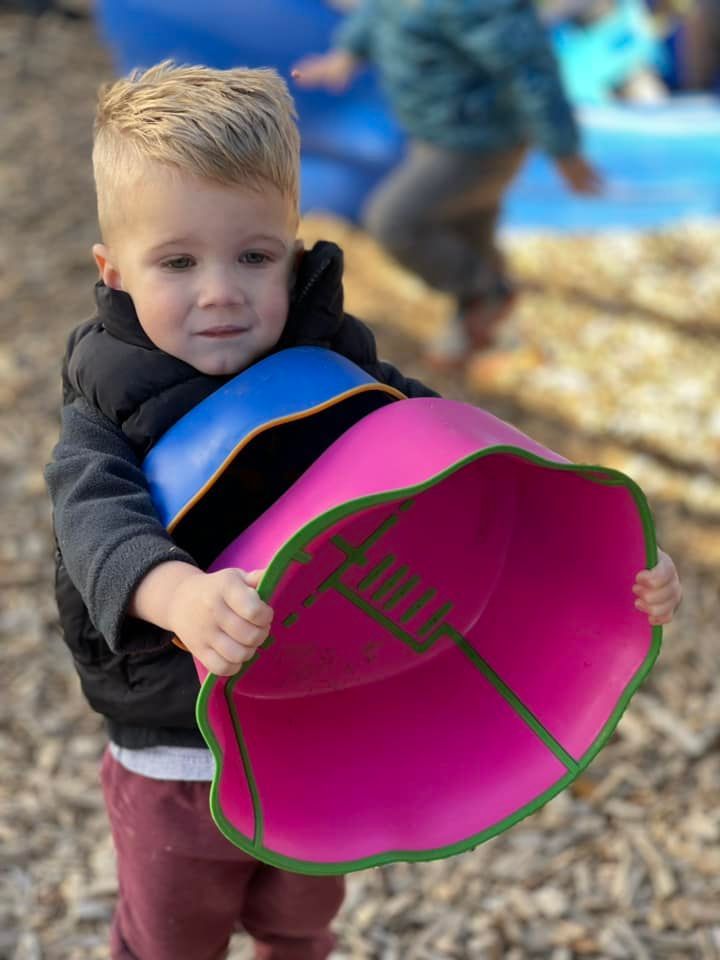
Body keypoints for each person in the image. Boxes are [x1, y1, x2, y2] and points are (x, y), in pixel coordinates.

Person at [45, 61, 681, 960]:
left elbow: (456, 461)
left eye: (254, 257)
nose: (221, 291)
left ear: (295, 252)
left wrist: (612, 568)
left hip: (321, 721)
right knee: (170, 934)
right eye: (178, 263)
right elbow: (94, 526)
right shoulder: (109, 408)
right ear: (113, 270)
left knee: (301, 920)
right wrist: (179, 595)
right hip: (175, 748)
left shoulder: (334, 359)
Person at [292, 0, 603, 369]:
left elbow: (529, 68)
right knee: (469, 235)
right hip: (436, 136)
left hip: (481, 145)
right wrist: (347, 55)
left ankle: (487, 295)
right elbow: (380, 13)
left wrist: (564, 151)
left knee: (395, 221)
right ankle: (490, 337)